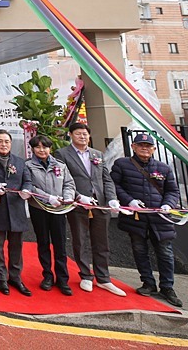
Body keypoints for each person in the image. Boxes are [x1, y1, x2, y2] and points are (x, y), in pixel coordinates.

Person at [111, 133, 182, 307]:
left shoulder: (164, 168)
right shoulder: (122, 164)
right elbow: (114, 185)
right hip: (136, 217)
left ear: (154, 149)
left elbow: (173, 191)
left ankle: (167, 287)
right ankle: (148, 282)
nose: (144, 148)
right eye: (141, 145)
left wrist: (168, 204)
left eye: (148, 146)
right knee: (139, 250)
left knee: (165, 252)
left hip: (160, 218)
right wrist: (129, 201)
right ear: (133, 147)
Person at [55, 123, 126, 296]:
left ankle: (104, 278)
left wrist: (112, 198)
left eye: (85, 134)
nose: (82, 137)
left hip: (100, 203)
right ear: (70, 135)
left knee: (102, 242)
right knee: (80, 240)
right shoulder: (62, 154)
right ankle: (86, 275)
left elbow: (106, 179)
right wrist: (78, 196)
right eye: (78, 134)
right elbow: (63, 180)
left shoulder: (97, 154)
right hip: (79, 204)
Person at [0, 130, 33, 296]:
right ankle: (1, 277)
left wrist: (27, 190)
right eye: (0, 141)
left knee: (16, 246)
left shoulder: (20, 161)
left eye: (6, 141)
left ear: (11, 143)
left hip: (17, 208)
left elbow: (27, 180)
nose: (3, 144)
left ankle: (15, 277)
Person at [25, 134, 76, 295]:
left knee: (60, 244)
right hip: (39, 208)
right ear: (33, 149)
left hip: (59, 209)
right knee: (43, 242)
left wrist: (67, 197)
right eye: (38, 147)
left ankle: (63, 278)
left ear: (50, 148)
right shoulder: (28, 165)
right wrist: (48, 198)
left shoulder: (60, 165)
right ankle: (47, 275)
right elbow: (30, 186)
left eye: (45, 147)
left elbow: (69, 184)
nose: (42, 150)